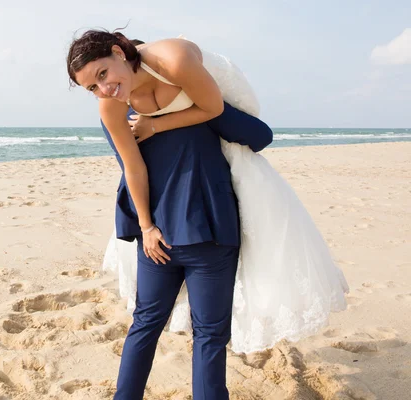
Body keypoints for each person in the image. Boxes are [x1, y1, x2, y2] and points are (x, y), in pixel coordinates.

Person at [67, 30, 349, 400]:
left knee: (188, 329)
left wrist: (153, 124)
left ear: (120, 52)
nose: (103, 90)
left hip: (203, 217)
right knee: (180, 328)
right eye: (92, 88)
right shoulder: (112, 106)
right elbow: (131, 168)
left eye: (102, 74)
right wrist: (147, 227)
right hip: (184, 229)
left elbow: (220, 113)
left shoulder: (173, 61)